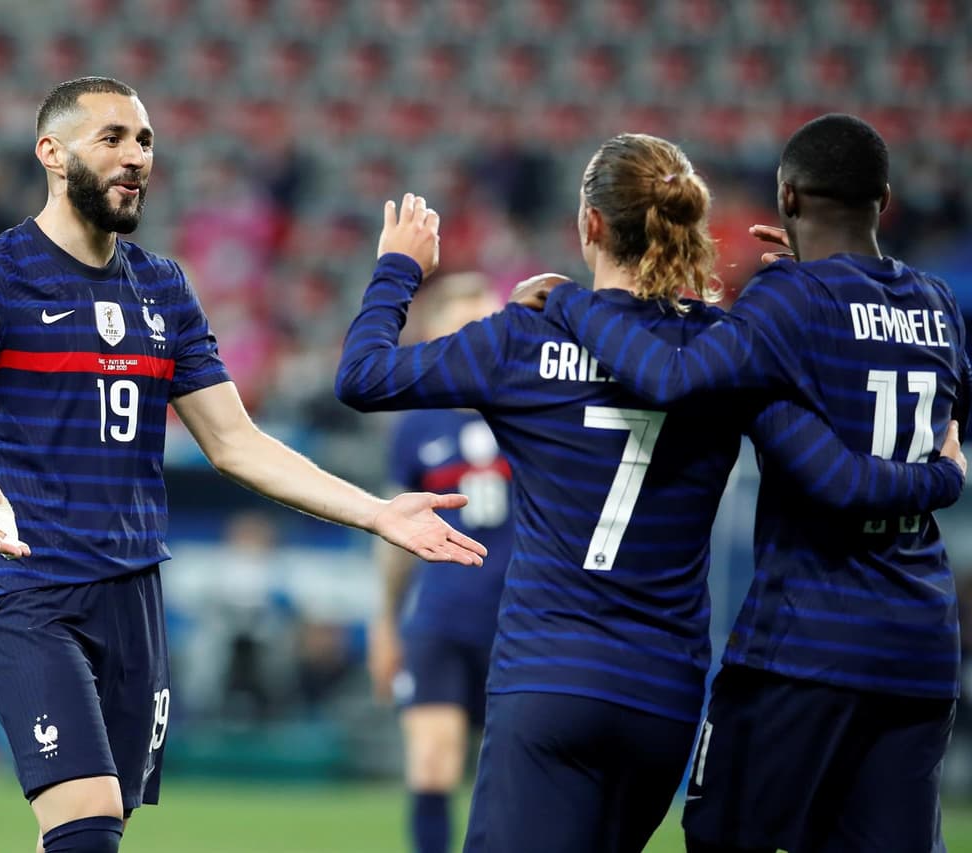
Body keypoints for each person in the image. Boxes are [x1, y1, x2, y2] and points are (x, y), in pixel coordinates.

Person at [334, 137, 966, 853]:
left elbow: (362, 375)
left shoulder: (522, 337)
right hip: (663, 696)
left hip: (551, 679)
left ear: (591, 225)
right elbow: (834, 463)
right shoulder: (731, 348)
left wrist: (399, 268)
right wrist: (824, 289)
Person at [0, 76, 486, 853]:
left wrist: (377, 512)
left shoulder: (164, 288)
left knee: (99, 829)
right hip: (30, 585)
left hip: (133, 590)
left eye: (144, 140)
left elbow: (236, 442)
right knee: (84, 824)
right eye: (112, 138)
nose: (136, 157)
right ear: (51, 152)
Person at [535, 114, 972, 853]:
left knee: (719, 836)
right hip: (920, 647)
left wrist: (571, 301)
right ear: (885, 198)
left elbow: (669, 376)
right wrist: (942, 477)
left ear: (789, 201)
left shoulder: (788, 302)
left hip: (808, 644)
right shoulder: (938, 305)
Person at [367, 272, 513, 853]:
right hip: (443, 619)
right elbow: (394, 532)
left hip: (521, 616)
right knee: (431, 760)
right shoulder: (416, 425)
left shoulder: (531, 406)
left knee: (513, 778)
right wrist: (385, 621)